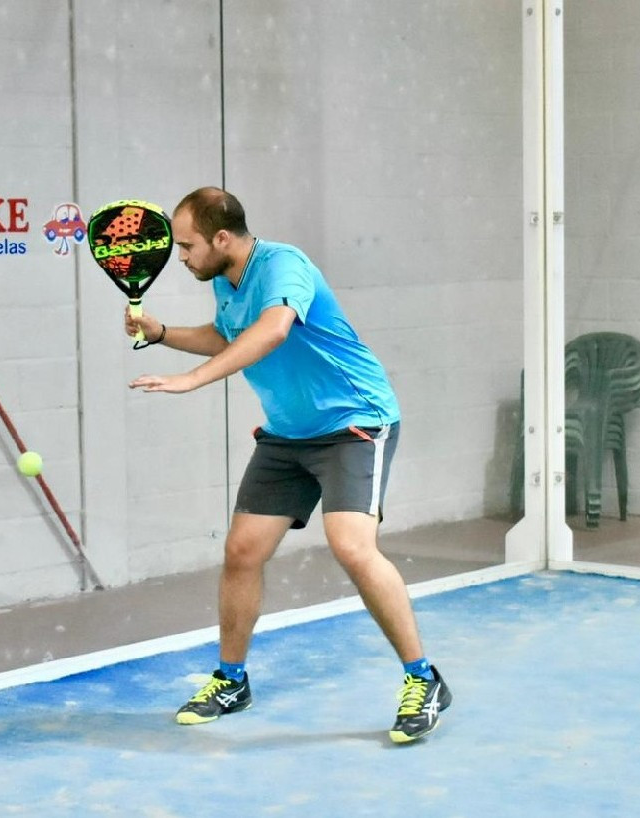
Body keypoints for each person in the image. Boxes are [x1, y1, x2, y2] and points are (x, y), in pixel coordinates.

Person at [125, 186, 452, 743]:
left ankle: (424, 679)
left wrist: (193, 380)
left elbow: (274, 329)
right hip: (288, 434)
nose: (181, 258)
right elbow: (227, 335)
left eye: (187, 246)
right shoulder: (225, 281)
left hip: (353, 423)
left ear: (221, 238)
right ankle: (232, 681)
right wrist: (162, 335)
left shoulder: (284, 266)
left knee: (352, 546)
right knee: (241, 552)